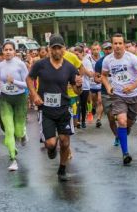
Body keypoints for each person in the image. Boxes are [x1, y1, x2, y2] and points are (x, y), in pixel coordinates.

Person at [26, 34, 83, 181]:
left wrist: (79, 84)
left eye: (59, 48)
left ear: (64, 49)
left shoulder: (70, 68)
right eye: (54, 48)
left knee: (65, 141)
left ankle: (62, 169)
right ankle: (51, 149)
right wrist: (34, 95)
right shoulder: (40, 64)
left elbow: (77, 91)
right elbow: (29, 78)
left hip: (64, 108)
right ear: (50, 49)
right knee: (51, 143)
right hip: (46, 110)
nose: (57, 51)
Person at [101, 33, 137, 165]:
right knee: (121, 121)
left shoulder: (132, 58)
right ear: (112, 45)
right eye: (115, 43)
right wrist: (108, 86)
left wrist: (132, 86)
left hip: (134, 95)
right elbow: (103, 75)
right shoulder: (107, 60)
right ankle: (125, 154)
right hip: (118, 95)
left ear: (123, 44)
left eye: (120, 43)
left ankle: (124, 133)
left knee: (127, 124)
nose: (117, 46)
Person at [0, 41, 28, 171]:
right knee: (9, 130)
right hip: (5, 100)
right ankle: (13, 158)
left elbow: (27, 84)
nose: (8, 51)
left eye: (10, 49)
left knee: (18, 131)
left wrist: (13, 81)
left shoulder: (20, 65)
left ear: (14, 51)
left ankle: (23, 133)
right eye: (6, 49)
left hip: (20, 99)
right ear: (2, 52)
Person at [95, 42, 119, 146]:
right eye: (106, 49)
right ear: (103, 50)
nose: (108, 50)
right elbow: (95, 78)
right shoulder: (99, 63)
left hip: (119, 92)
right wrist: (102, 79)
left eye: (110, 48)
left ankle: (123, 130)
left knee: (121, 116)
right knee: (110, 117)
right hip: (106, 93)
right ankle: (117, 136)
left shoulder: (118, 60)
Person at [74, 45, 94, 129]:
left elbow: (90, 74)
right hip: (75, 86)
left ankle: (83, 121)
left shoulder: (87, 62)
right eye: (74, 54)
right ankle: (77, 121)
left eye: (77, 54)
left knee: (83, 104)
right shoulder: (73, 61)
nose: (76, 56)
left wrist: (81, 67)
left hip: (85, 86)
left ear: (82, 53)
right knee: (77, 104)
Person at [88, 42, 103, 128]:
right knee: (93, 100)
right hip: (92, 83)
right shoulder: (88, 58)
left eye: (97, 49)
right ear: (91, 50)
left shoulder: (103, 58)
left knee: (100, 101)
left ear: (100, 49)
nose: (96, 51)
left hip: (101, 82)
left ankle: (98, 119)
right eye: (94, 49)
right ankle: (93, 107)